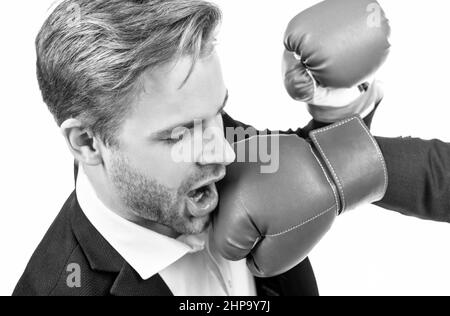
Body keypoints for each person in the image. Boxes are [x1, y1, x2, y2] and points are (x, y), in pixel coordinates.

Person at [13, 0, 450, 296]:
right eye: (180, 133)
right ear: (88, 142)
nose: (224, 150)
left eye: (218, 112)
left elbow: (309, 164)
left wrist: (341, 122)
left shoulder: (222, 142)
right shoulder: (56, 286)